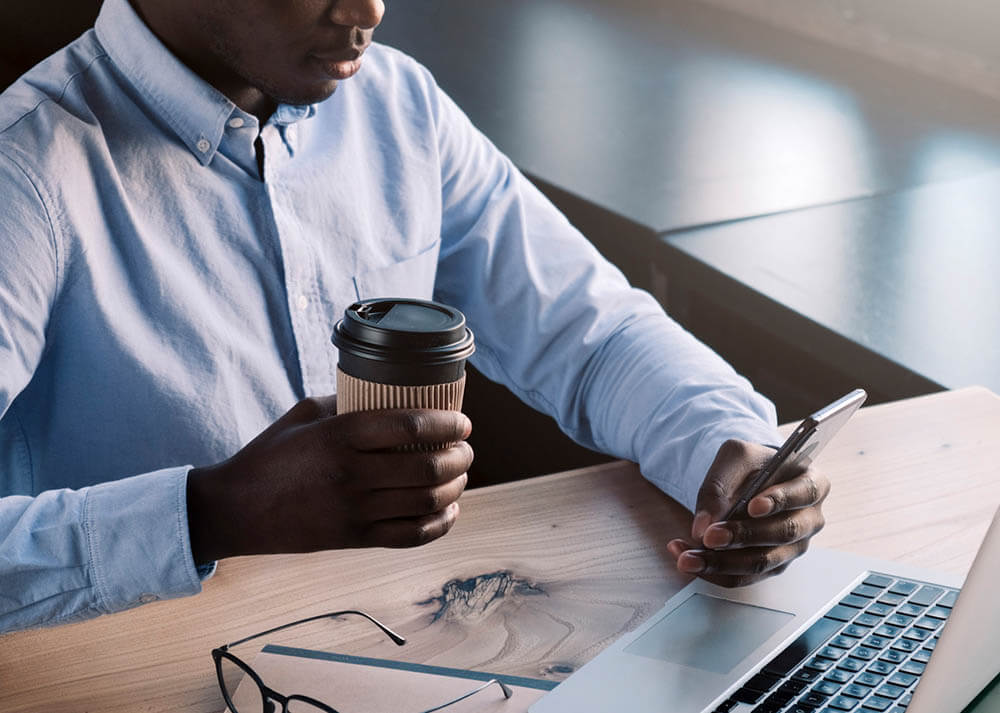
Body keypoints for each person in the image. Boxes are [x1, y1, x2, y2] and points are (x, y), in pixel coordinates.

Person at [0, 0, 829, 634]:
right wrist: (211, 512)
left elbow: (591, 331)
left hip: (382, 643)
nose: (367, 12)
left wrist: (724, 448)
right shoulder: (25, 171)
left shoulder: (398, 109)